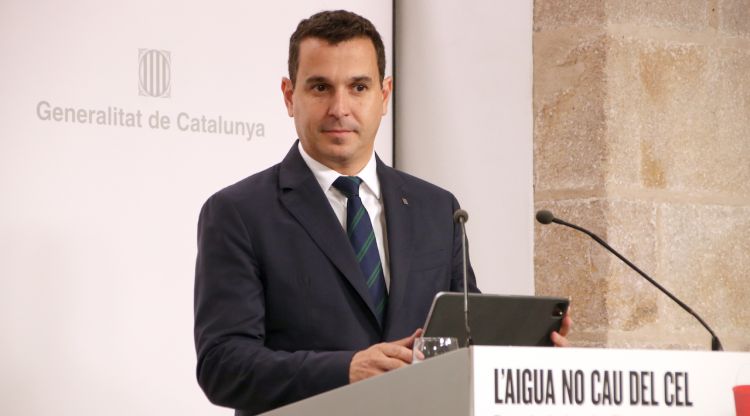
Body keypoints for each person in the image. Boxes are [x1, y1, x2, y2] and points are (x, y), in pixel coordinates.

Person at [193, 10, 571, 415]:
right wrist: (345, 369)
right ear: (289, 96)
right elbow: (222, 365)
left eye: (358, 87)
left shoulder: (437, 208)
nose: (340, 107)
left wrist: (527, 353)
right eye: (320, 87)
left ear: (384, 95)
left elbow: (464, 336)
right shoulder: (238, 213)